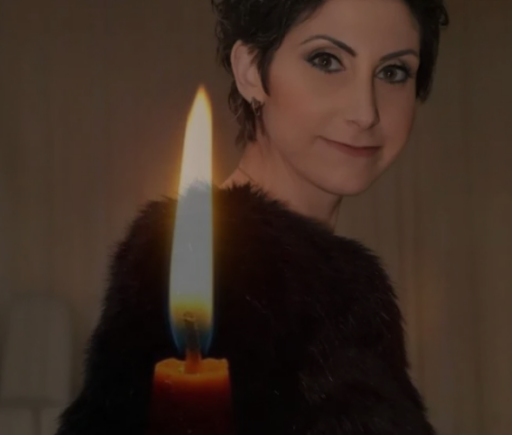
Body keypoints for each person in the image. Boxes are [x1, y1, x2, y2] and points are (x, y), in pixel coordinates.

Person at [55, 0, 449, 434]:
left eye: (393, 72)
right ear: (250, 71)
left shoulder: (323, 280)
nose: (365, 112)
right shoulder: (201, 260)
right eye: (326, 60)